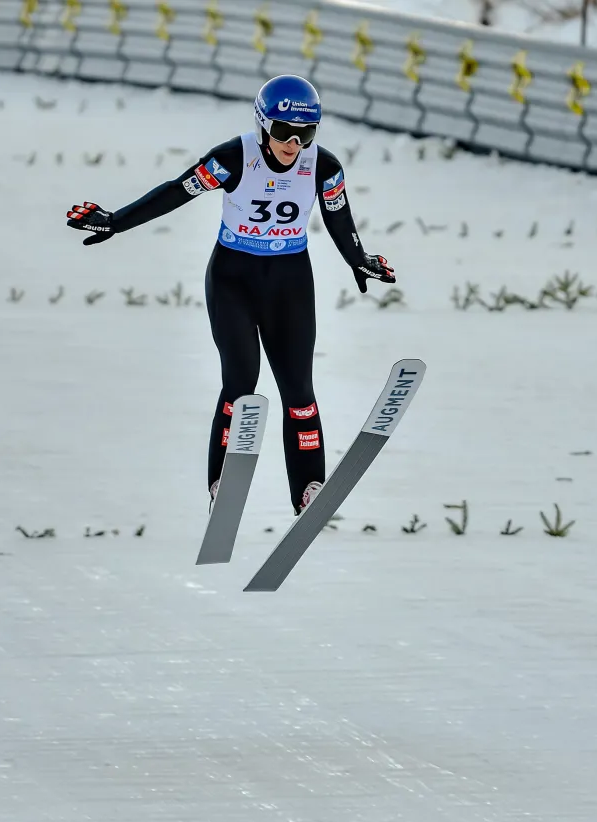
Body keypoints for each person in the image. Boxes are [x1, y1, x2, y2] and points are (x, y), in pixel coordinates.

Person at [66, 75, 396, 516]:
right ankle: (222, 483)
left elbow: (340, 220)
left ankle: (308, 487)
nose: (293, 144)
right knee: (241, 383)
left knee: (299, 390)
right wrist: (117, 221)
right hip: (233, 280)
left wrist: (359, 258)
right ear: (263, 124)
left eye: (305, 134)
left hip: (290, 281)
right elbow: (173, 193)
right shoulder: (230, 159)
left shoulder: (325, 166)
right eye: (283, 131)